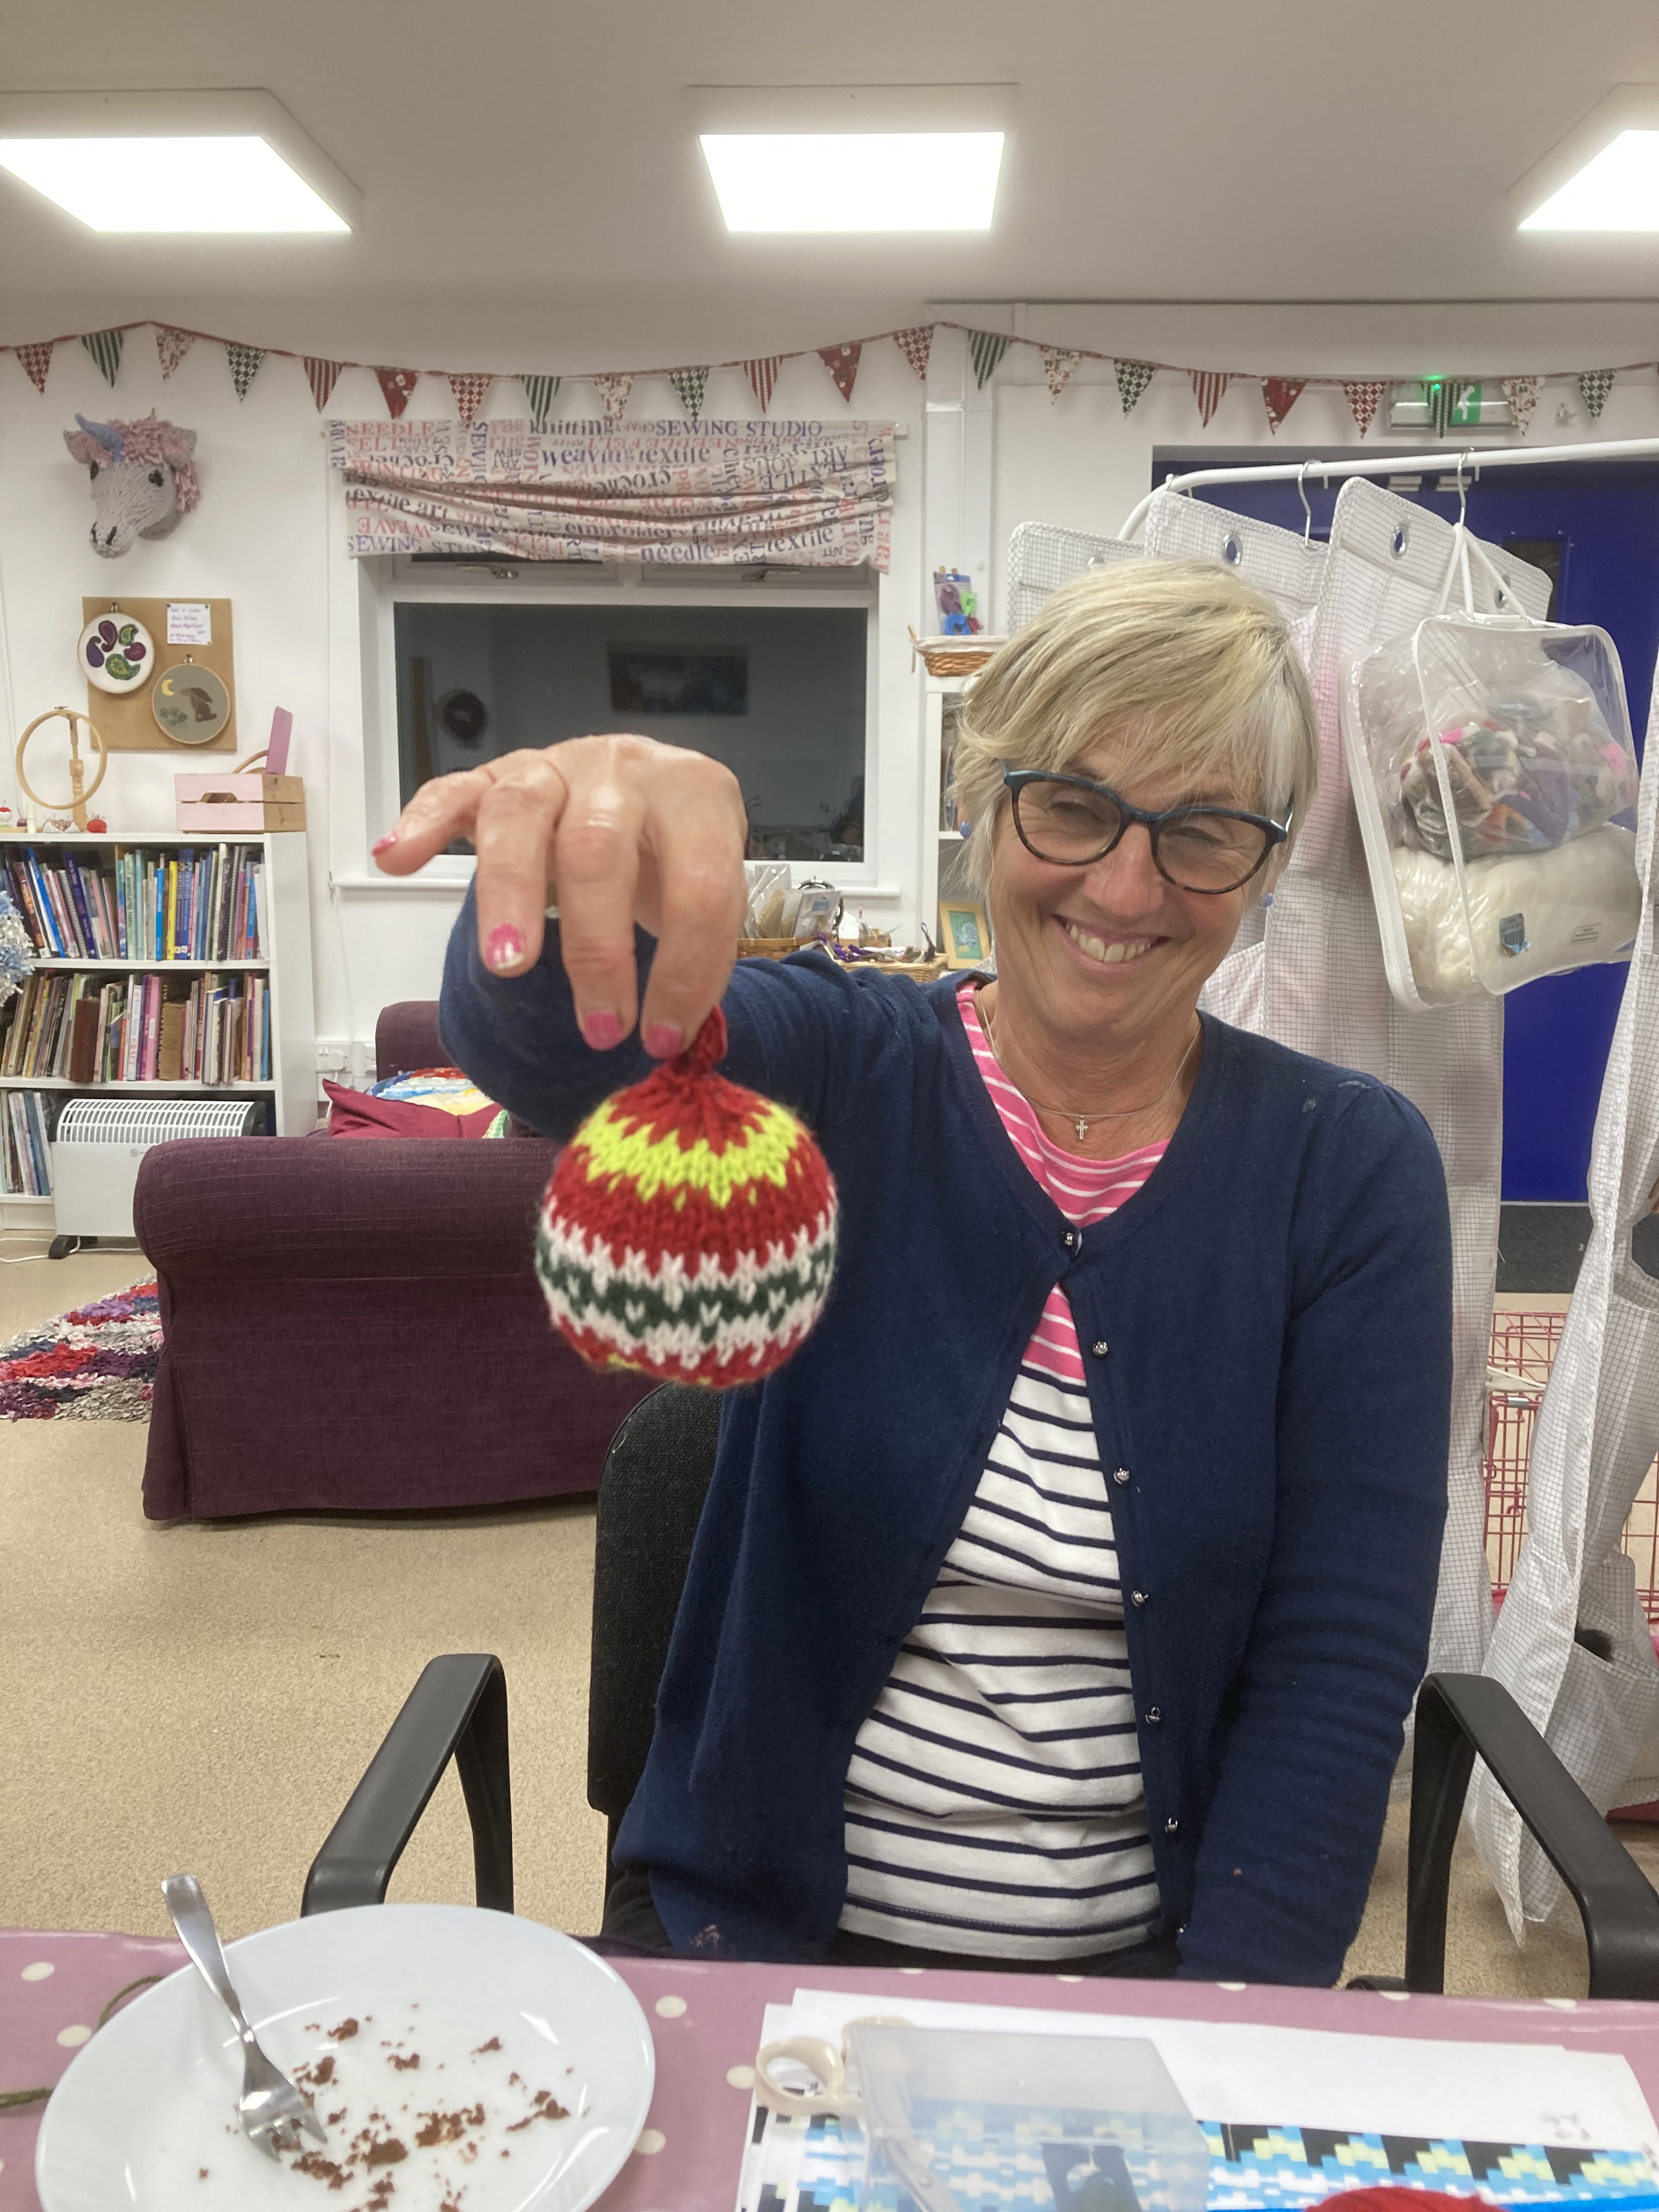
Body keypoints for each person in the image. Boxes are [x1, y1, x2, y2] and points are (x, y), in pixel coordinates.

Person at [377, 558, 1452, 1985]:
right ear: (983, 803)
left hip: (1148, 1976)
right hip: (756, 1944)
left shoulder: (1348, 1167)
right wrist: (578, 865)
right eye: (1072, 805)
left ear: (1262, 866)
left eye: (1203, 832)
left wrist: (1223, 2030)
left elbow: (1338, 1664)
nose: (1127, 886)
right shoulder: (843, 1062)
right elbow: (557, 1051)